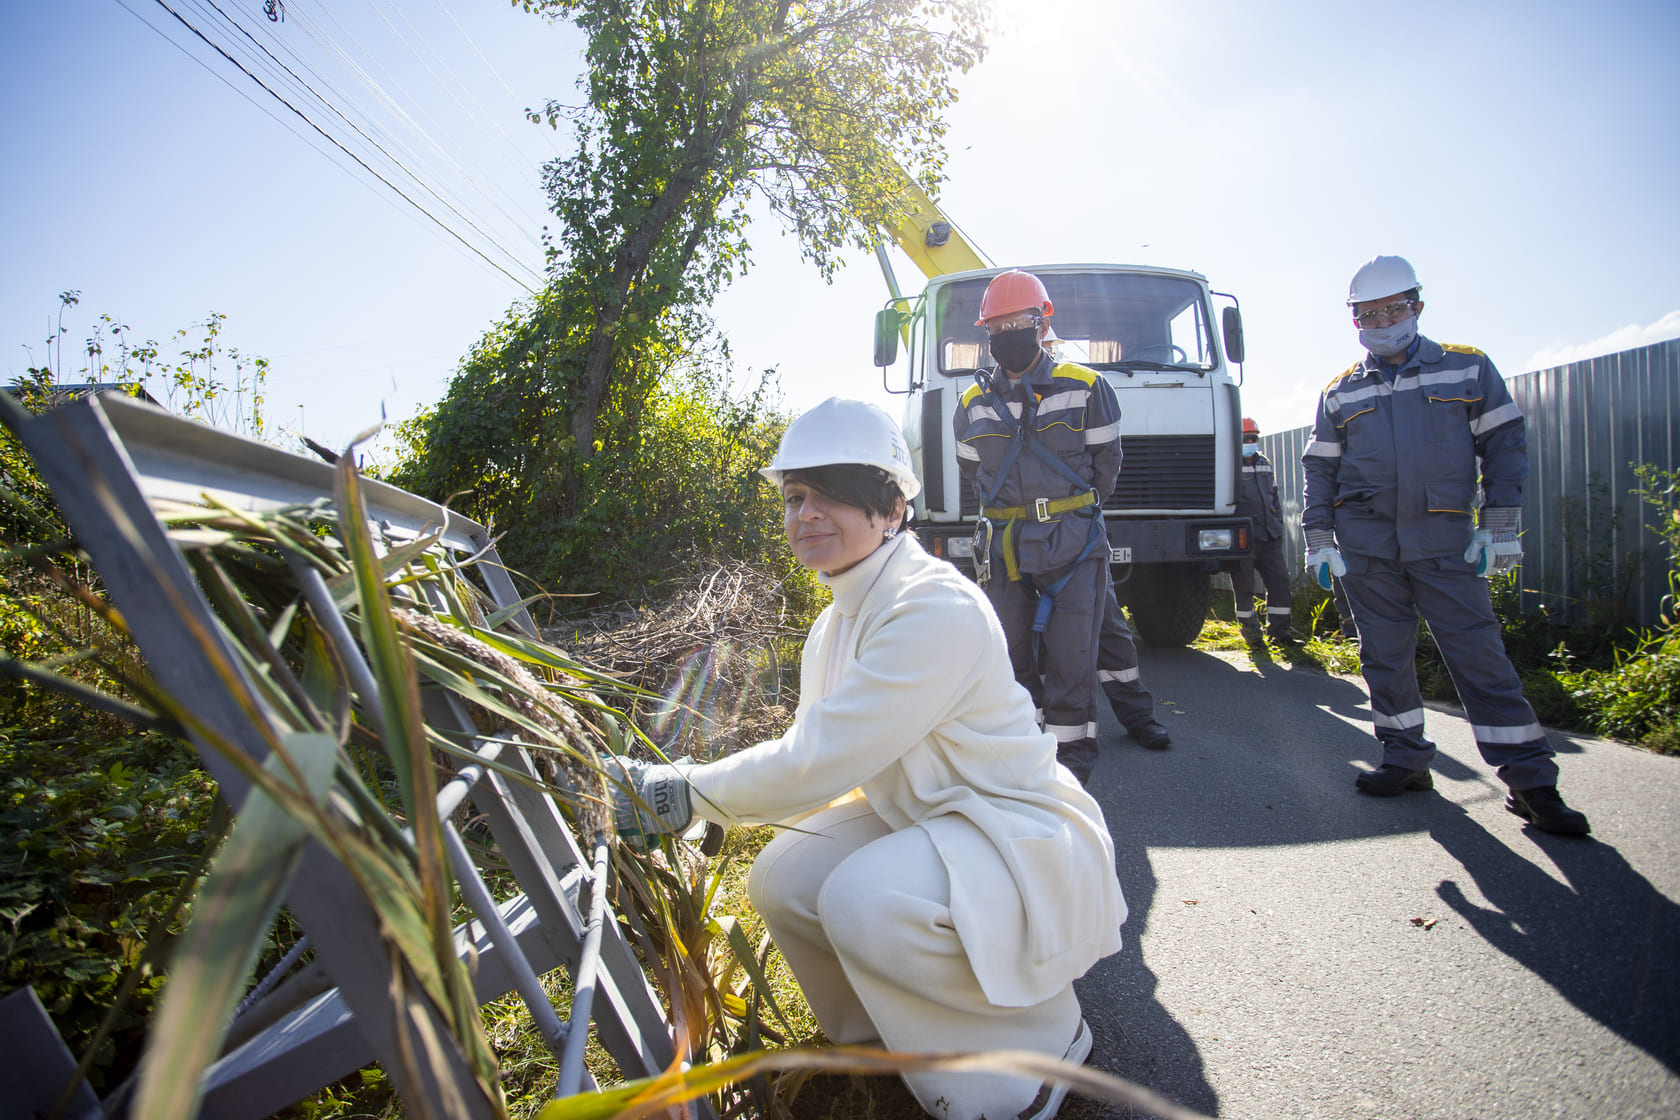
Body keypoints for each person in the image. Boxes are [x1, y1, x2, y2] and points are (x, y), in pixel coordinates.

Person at [611, 397, 1126, 1120]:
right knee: (785, 877)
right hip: (930, 817)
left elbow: (816, 760)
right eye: (795, 498)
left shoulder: (930, 607)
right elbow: (812, 770)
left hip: (1012, 829)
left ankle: (1035, 1057)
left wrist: (684, 792)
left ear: (891, 507)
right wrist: (712, 807)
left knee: (864, 900)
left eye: (834, 496)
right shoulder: (836, 621)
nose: (806, 515)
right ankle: (877, 1048)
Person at [1302, 255, 1590, 835]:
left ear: (1418, 307)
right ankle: (1405, 760)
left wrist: (1500, 523)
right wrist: (1318, 539)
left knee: (1479, 657)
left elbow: (1505, 444)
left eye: (1393, 309)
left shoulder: (1467, 369)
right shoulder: (1340, 392)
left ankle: (1532, 782)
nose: (1382, 320)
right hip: (1368, 551)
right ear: (1354, 320)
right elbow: (1321, 471)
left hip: (1445, 544)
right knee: (1384, 658)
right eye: (1368, 313)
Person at [953, 269, 1170, 783]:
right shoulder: (971, 405)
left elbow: (1106, 468)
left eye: (1020, 321)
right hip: (1008, 549)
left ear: (1043, 320)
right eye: (998, 326)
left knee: (1077, 659)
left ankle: (1073, 770)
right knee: (1012, 660)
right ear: (987, 333)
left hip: (1074, 544)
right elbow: (973, 472)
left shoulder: (1088, 387)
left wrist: (1065, 515)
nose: (1009, 334)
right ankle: (1027, 760)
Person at [1232, 417, 1295, 643]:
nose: (1250, 441)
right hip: (1244, 538)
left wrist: (1276, 523)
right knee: (1245, 589)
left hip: (1269, 536)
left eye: (1253, 438)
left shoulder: (1264, 462)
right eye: (1245, 438)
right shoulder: (1229, 464)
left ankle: (1279, 633)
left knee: (1280, 583)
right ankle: (1251, 635)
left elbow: (1273, 495)